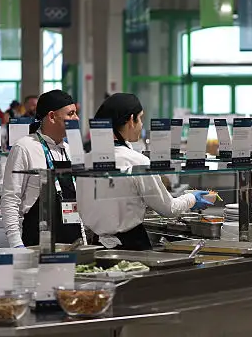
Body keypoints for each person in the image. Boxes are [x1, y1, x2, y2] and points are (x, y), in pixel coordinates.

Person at [78, 93, 215, 250]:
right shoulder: (138, 162)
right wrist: (191, 198)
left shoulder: (85, 160)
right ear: (131, 120)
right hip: (130, 245)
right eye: (140, 118)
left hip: (95, 245)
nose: (141, 124)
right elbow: (169, 209)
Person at [1, 90, 82, 248]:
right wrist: (16, 245)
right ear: (52, 117)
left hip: (73, 243)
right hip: (36, 244)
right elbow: (10, 200)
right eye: (71, 113)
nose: (76, 118)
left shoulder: (70, 150)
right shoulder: (24, 147)